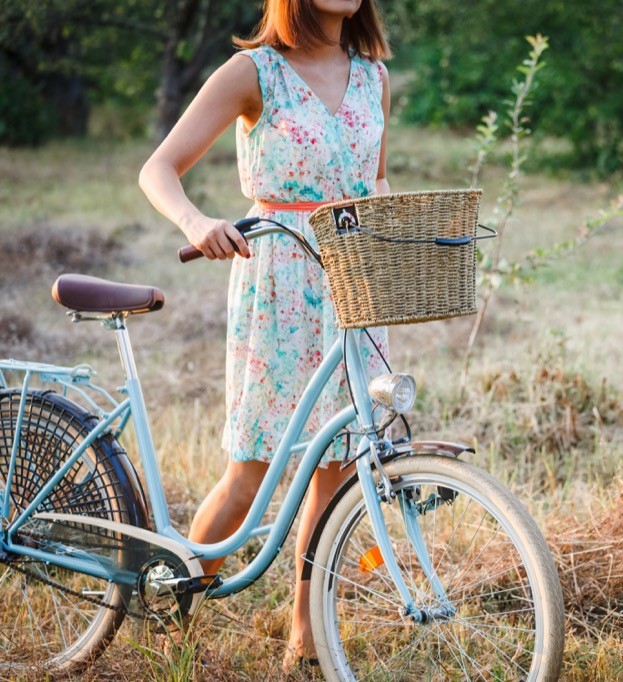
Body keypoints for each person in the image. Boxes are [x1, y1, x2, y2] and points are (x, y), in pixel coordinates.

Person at [138, 0, 391, 669]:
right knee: (251, 470)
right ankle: (178, 610)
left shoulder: (373, 77)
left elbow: (377, 177)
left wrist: (395, 222)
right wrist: (197, 224)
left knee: (334, 471)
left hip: (354, 279)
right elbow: (157, 169)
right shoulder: (253, 73)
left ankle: (304, 639)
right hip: (278, 275)